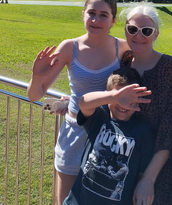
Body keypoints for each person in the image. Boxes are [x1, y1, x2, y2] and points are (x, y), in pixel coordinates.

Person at [27, 0, 130, 205]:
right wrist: (36, 76)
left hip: (106, 135)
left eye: (103, 15)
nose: (95, 20)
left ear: (113, 20)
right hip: (75, 131)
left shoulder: (123, 49)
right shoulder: (69, 47)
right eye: (91, 13)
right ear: (83, 14)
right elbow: (35, 95)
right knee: (65, 199)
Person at [120, 3, 172, 205]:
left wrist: (149, 178)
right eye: (132, 29)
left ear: (156, 34)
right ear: (125, 30)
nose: (138, 36)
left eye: (146, 31)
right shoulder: (124, 63)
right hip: (124, 164)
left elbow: (171, 127)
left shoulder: (170, 69)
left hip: (157, 171)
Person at [63, 67, 154, 205]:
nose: (124, 105)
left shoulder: (143, 132)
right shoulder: (99, 119)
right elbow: (83, 102)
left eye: (130, 100)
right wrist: (113, 96)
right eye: (119, 99)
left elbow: (141, 175)